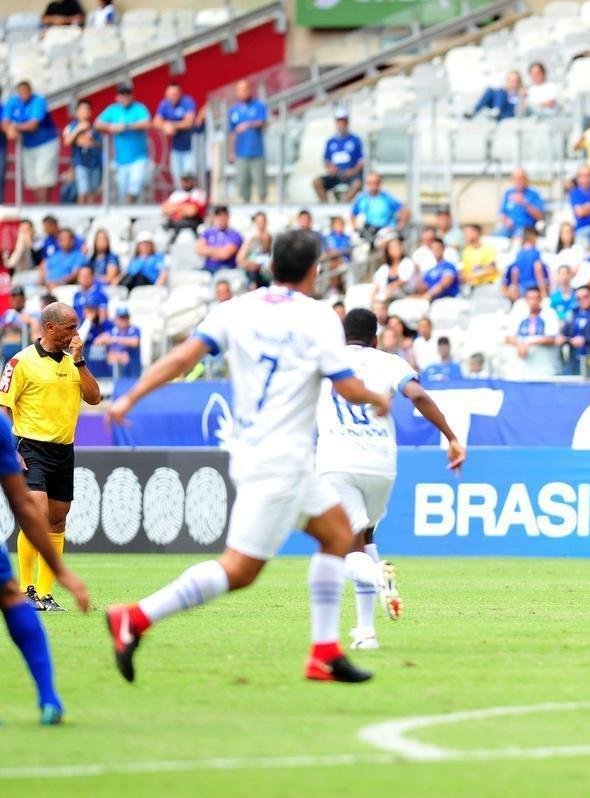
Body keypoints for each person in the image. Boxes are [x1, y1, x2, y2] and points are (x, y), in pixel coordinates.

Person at [105, 230, 393, 684]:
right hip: (280, 462)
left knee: (339, 534)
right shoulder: (319, 317)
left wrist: (129, 397)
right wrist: (378, 397)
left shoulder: (235, 309)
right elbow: (346, 384)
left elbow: (182, 358)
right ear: (314, 270)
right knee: (239, 570)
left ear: (270, 264)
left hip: (269, 455)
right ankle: (135, 617)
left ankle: (324, 653)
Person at [316, 309, 463, 650]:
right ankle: (366, 632)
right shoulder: (389, 362)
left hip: (338, 462)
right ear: (375, 337)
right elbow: (419, 396)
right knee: (365, 538)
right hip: (381, 464)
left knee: (344, 551)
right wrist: (451, 438)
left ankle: (377, 576)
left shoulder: (325, 361)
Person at [2, 301, 102, 612]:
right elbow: (4, 408)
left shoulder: (75, 362)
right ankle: (25, 589)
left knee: (57, 521)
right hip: (30, 446)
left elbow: (95, 397)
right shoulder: (20, 362)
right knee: (38, 513)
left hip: (63, 449)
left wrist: (81, 361)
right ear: (50, 328)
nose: (76, 332)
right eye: (70, 327)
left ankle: (45, 595)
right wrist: (8, 450)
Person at [0, 406, 89, 724]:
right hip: (35, 446)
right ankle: (49, 699)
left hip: (62, 450)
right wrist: (62, 571)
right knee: (9, 597)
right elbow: (21, 504)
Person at [95, 84, 152, 204]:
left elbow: (146, 123)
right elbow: (97, 123)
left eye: (127, 94)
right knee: (122, 189)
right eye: (122, 95)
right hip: (121, 158)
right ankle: (127, 211)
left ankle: (132, 208)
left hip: (138, 156)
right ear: (117, 97)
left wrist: (126, 126)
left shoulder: (139, 108)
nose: (125, 97)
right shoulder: (113, 110)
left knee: (135, 184)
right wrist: (111, 127)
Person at [3, 81, 59, 204]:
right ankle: (39, 203)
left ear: (30, 91)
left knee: (43, 176)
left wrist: (14, 127)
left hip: (45, 143)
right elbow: (5, 121)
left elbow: (33, 125)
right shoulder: (13, 101)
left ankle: (43, 205)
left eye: (26, 92)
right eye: (21, 92)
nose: (23, 95)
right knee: (32, 178)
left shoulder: (38, 100)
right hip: (27, 145)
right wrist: (9, 129)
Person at [505, 287, 561, 378]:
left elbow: (551, 338)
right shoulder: (519, 314)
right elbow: (508, 337)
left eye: (536, 298)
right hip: (522, 369)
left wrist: (529, 342)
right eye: (530, 298)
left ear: (541, 299)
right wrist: (519, 345)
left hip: (544, 368)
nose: (533, 302)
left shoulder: (549, 314)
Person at [227, 80, 268, 204]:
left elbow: (263, 122)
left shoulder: (258, 106)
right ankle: (246, 205)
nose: (243, 92)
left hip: (257, 152)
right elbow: (231, 133)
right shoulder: (233, 110)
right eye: (240, 90)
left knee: (260, 182)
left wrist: (248, 124)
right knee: (242, 183)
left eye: (246, 89)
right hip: (241, 153)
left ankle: (262, 207)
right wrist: (231, 152)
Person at [154, 82, 199, 187]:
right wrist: (165, 126)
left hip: (191, 147)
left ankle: (191, 199)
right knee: (177, 179)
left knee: (189, 177)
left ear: (180, 93)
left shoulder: (187, 102)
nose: (171, 97)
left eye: (174, 94)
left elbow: (189, 122)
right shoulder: (164, 104)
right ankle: (181, 200)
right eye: (169, 95)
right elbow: (156, 122)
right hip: (175, 149)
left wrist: (172, 126)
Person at [313, 110, 364, 202]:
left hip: (351, 175)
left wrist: (352, 171)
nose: (341, 124)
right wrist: (330, 168)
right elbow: (326, 160)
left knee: (358, 183)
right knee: (317, 182)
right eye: (339, 122)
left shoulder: (356, 140)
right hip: (335, 175)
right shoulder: (330, 141)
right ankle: (325, 205)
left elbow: (361, 161)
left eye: (343, 121)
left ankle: (343, 204)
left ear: (347, 123)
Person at [63, 99, 102, 204]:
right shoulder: (71, 127)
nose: (84, 112)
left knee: (92, 192)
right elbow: (67, 141)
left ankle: (90, 216)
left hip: (95, 164)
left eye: (87, 109)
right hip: (80, 163)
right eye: (82, 109)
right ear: (76, 112)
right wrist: (79, 130)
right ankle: (81, 214)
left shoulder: (95, 128)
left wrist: (88, 141)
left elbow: (100, 144)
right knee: (83, 191)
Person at [351, 173, 409, 242]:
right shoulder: (361, 198)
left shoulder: (386, 197)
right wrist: (356, 228)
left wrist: (399, 226)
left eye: (376, 182)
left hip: (385, 230)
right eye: (370, 183)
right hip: (368, 231)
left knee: (390, 244)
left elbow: (405, 211)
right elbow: (353, 214)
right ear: (366, 184)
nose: (373, 185)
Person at [497, 169, 545, 238]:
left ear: (526, 180)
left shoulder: (534, 194)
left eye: (522, 178)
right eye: (517, 179)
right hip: (509, 228)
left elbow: (540, 216)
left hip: (526, 228)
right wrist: (506, 220)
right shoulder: (508, 193)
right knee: (494, 237)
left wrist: (524, 202)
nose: (519, 181)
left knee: (518, 236)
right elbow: (502, 212)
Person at [161, 173, 208, 242]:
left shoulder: (199, 193)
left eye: (187, 180)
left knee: (183, 228)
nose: (185, 183)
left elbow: (192, 211)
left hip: (193, 223)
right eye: (183, 180)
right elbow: (165, 209)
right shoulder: (176, 194)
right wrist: (183, 207)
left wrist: (175, 208)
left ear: (192, 181)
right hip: (175, 222)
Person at [506, 228, 549, 301]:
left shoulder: (519, 254)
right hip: (534, 287)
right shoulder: (535, 253)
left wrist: (515, 287)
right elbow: (538, 270)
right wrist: (543, 292)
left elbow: (515, 271)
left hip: (522, 287)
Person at [197, 206, 243, 274]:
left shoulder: (234, 235)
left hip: (226, 268)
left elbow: (225, 254)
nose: (221, 219)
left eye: (223, 216)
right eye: (218, 216)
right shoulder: (208, 232)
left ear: (228, 217)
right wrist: (219, 250)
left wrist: (208, 251)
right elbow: (199, 249)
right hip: (208, 267)